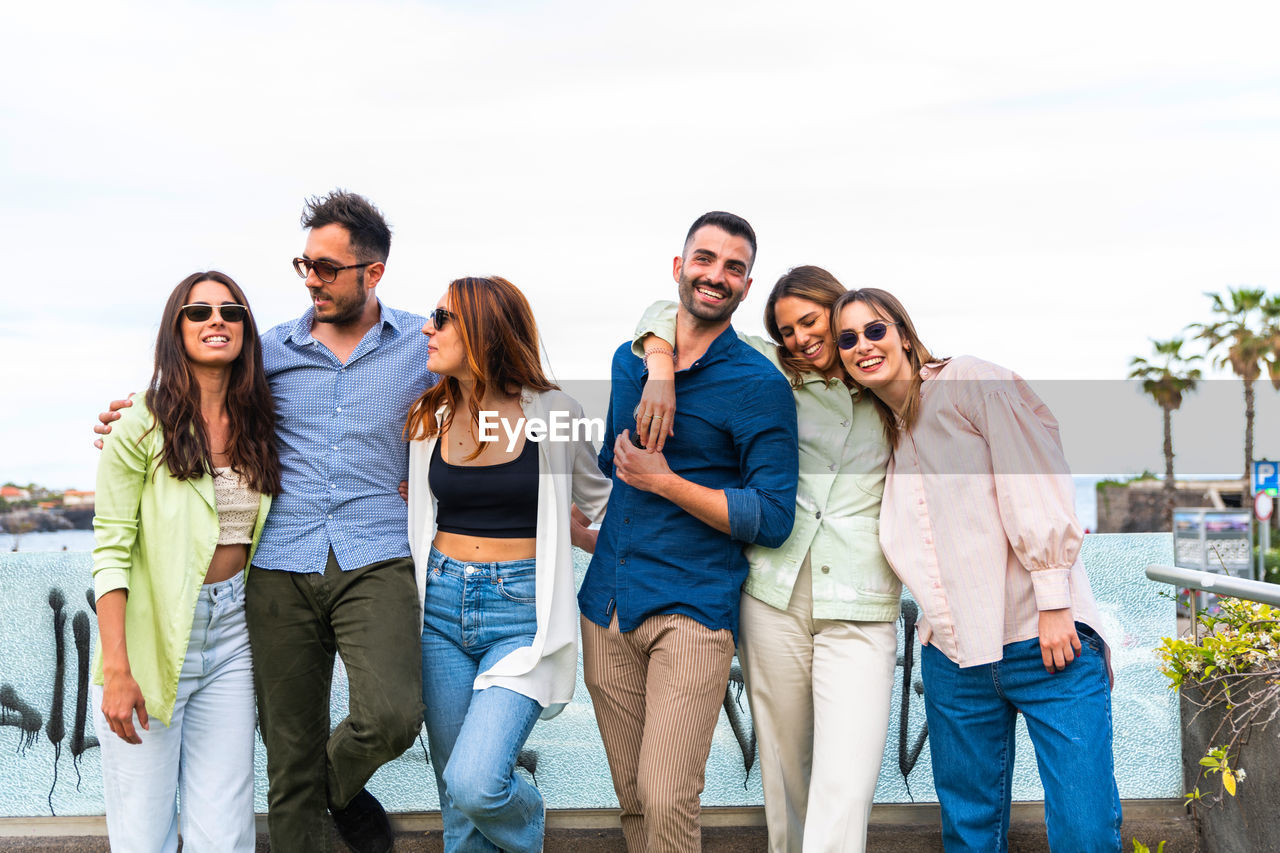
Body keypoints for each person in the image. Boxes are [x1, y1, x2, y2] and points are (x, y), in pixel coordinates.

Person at [96, 190, 436, 853]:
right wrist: (126, 415)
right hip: (278, 567)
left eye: (328, 268)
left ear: (374, 271)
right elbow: (190, 393)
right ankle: (310, 794)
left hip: (376, 554)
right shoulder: (270, 351)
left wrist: (654, 360)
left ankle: (333, 782)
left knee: (393, 715)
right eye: (304, 264)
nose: (312, 279)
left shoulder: (421, 345)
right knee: (285, 758)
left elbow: (514, 384)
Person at [832, 288, 1122, 853]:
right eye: (848, 339)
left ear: (906, 335)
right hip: (954, 660)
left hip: (1045, 640)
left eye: (875, 330)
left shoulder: (967, 382)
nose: (863, 345)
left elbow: (1032, 477)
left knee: (1086, 831)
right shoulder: (880, 435)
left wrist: (1055, 599)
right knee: (969, 835)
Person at [633, 265, 900, 852]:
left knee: (846, 780)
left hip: (860, 600)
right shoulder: (773, 369)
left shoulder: (892, 381)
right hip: (773, 594)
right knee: (785, 773)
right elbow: (670, 316)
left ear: (839, 310)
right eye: (788, 330)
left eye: (811, 321)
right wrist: (657, 367)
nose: (802, 338)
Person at [577, 211, 799, 853]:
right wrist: (658, 363)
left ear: (747, 287)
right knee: (635, 802)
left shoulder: (760, 386)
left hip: (694, 613)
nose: (715, 275)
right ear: (679, 268)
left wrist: (666, 481)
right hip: (608, 606)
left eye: (733, 267)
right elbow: (610, 465)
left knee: (670, 796)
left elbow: (773, 517)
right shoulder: (631, 360)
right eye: (704, 259)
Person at [404, 275, 611, 852]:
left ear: (483, 331)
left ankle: (529, 814)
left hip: (521, 613)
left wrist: (583, 542)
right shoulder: (430, 418)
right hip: (439, 608)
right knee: (457, 801)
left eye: (441, 318)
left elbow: (604, 507)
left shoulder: (555, 413)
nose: (428, 328)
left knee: (476, 782)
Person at [92, 271, 280, 852]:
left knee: (225, 835)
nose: (215, 320)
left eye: (230, 311)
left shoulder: (262, 423)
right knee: (143, 835)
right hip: (151, 641)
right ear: (177, 329)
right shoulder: (137, 424)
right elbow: (110, 551)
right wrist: (118, 670)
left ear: (246, 330)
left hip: (233, 636)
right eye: (198, 312)